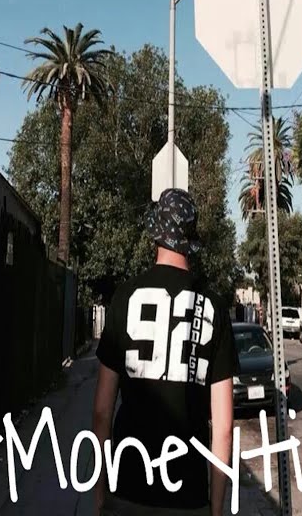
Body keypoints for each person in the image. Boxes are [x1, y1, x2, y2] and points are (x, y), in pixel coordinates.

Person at [92, 188, 237, 516]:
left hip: (128, 488)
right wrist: (216, 509)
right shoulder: (214, 307)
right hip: (188, 495)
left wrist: (101, 494)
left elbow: (101, 412)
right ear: (191, 239)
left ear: (156, 233)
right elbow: (224, 428)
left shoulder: (125, 297)